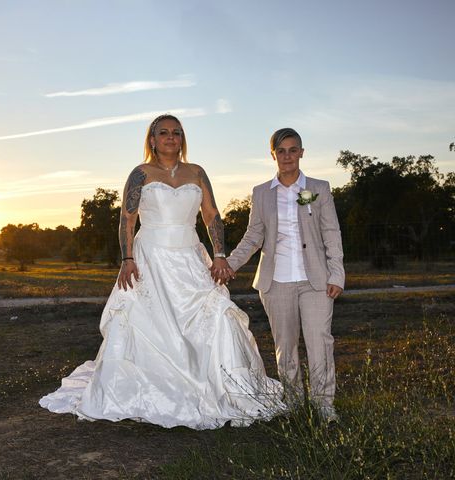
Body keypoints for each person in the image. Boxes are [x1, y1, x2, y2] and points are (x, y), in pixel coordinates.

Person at [39, 114, 284, 429]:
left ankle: (220, 387)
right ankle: (144, 390)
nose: (171, 137)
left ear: (182, 138)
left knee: (216, 314)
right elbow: (127, 219)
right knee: (142, 322)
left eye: (177, 132)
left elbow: (211, 216)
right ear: (152, 139)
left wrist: (220, 254)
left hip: (190, 256)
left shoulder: (197, 172)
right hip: (150, 258)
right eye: (164, 132)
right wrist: (128, 259)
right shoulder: (140, 174)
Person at [214, 127, 344, 422]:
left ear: (302, 152)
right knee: (285, 347)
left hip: (316, 281)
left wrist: (337, 273)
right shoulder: (261, 193)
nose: (287, 156)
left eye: (293, 149)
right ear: (273, 154)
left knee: (319, 342)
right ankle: (295, 403)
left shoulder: (319, 188)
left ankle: (324, 405)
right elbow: (253, 235)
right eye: (281, 151)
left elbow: (331, 233)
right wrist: (230, 264)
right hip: (275, 282)